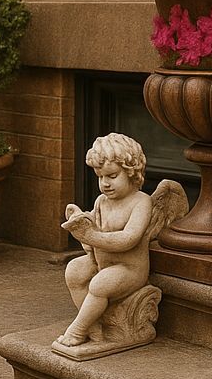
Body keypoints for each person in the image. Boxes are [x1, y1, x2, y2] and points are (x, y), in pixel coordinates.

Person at [56, 133, 154, 347]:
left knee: (100, 284)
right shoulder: (102, 201)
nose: (105, 184)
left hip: (129, 269)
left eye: (112, 176)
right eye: (100, 177)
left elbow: (129, 239)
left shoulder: (141, 202)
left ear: (131, 172)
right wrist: (81, 225)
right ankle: (94, 325)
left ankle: (78, 329)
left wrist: (93, 236)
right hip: (101, 262)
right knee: (74, 270)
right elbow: (94, 233)